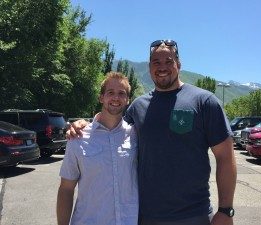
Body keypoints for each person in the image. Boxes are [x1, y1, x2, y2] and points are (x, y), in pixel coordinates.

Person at [68, 40, 237, 225]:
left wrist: (225, 210)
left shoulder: (204, 102)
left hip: (193, 215)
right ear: (149, 68)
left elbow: (225, 157)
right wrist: (86, 124)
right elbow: (112, 129)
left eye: (168, 61)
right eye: (156, 62)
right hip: (144, 216)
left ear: (178, 65)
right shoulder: (138, 107)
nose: (162, 67)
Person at [57, 72, 139, 225]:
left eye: (121, 93)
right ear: (101, 97)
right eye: (110, 93)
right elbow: (66, 189)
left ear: (128, 100)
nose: (116, 98)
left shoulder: (136, 136)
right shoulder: (78, 138)